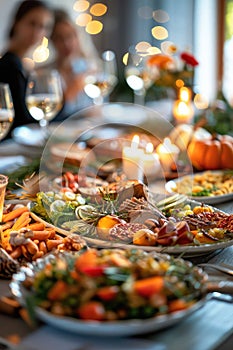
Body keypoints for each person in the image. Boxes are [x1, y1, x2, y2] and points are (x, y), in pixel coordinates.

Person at [0, 0, 53, 137]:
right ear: (17, 22)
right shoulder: (8, 65)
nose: (37, 31)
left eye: (44, 27)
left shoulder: (22, 64)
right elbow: (24, 121)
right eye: (32, 23)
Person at [46, 9, 99, 121]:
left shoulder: (89, 69)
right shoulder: (46, 74)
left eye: (69, 36)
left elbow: (97, 109)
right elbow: (48, 117)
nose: (66, 43)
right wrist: (68, 95)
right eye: (59, 38)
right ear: (52, 41)